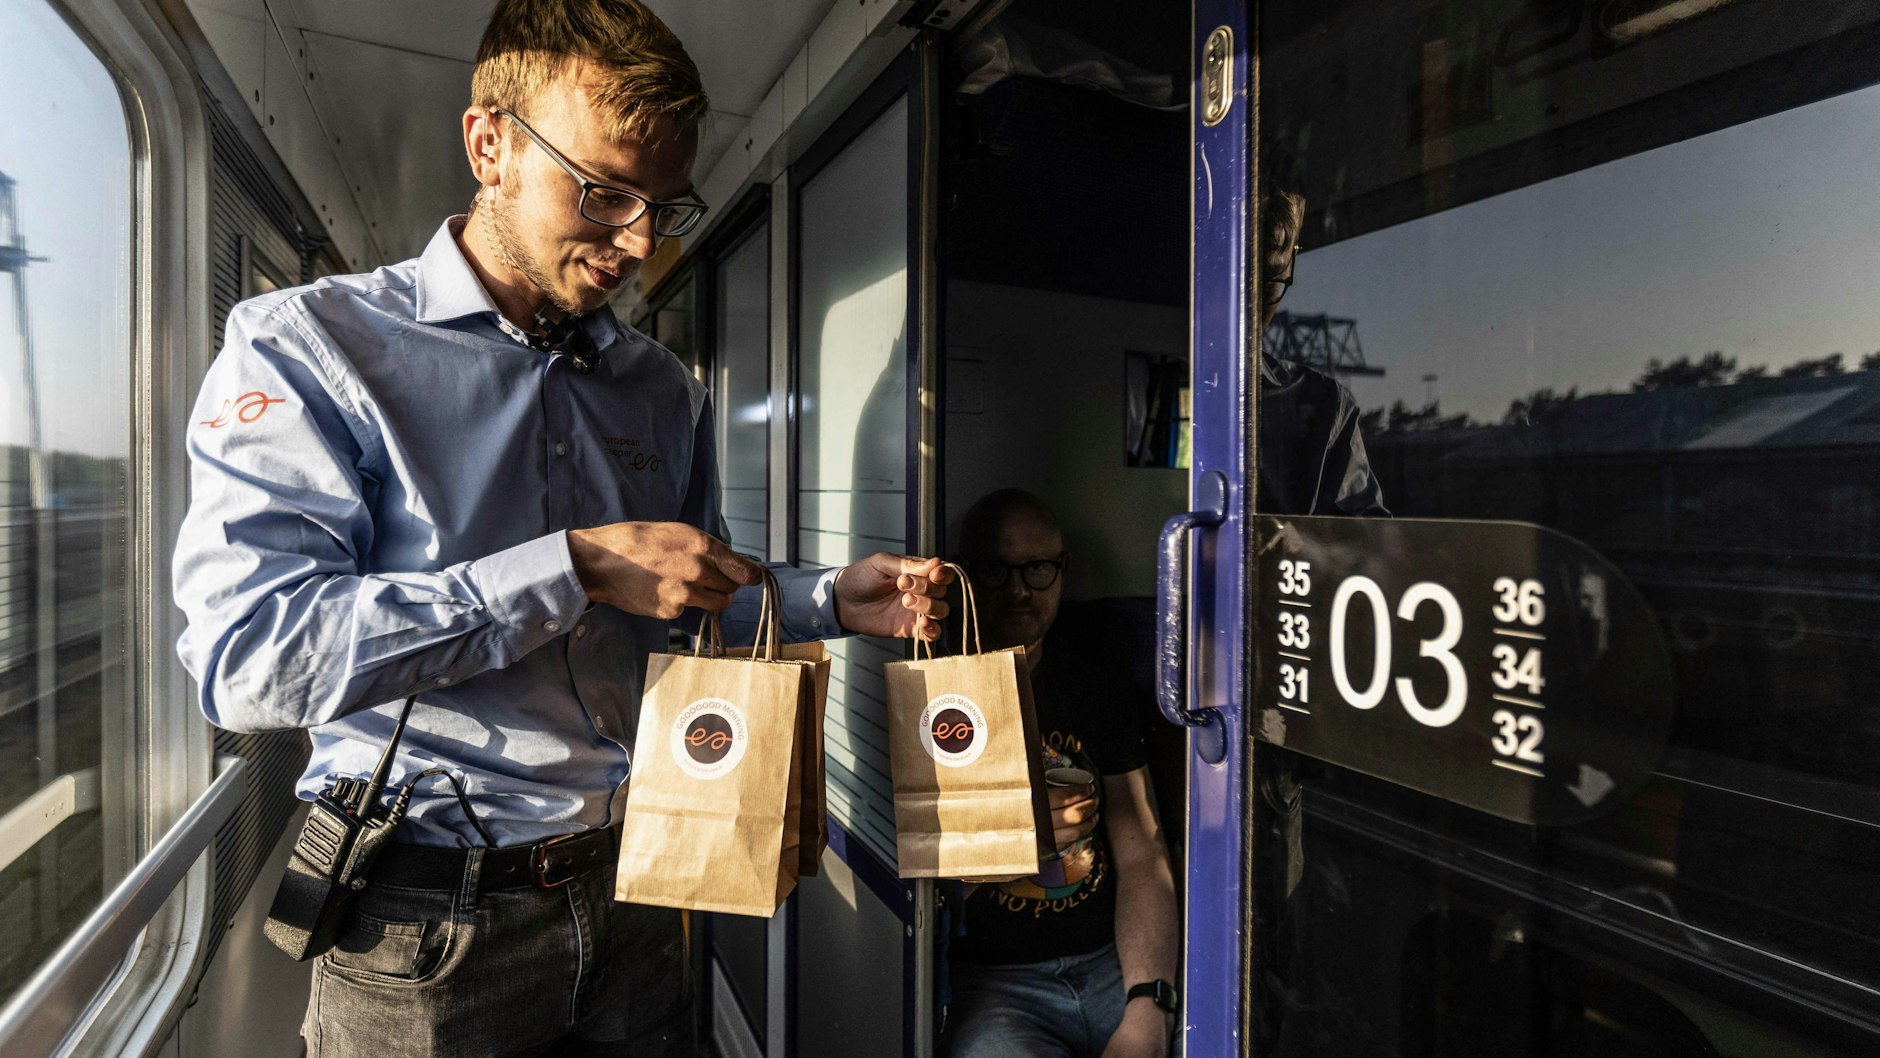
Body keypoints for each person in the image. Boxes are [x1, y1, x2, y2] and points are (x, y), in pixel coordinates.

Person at [171, 3, 949, 1056]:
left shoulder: (661, 390)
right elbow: (247, 659)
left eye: (661, 207)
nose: (635, 242)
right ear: (488, 145)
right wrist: (572, 567)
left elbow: (680, 593)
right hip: (424, 929)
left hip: (640, 885)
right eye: (602, 191)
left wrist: (822, 597)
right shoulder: (311, 348)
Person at [940, 489, 1179, 1058]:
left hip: (1111, 964)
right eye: (996, 570)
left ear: (1063, 570)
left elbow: (1143, 849)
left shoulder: (1093, 672)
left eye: (1038, 568)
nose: (1019, 590)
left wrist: (1149, 1006)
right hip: (994, 986)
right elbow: (923, 898)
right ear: (965, 577)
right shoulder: (934, 690)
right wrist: (1020, 834)